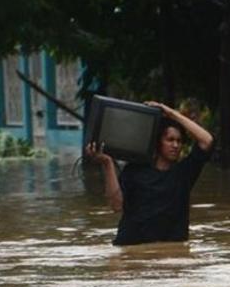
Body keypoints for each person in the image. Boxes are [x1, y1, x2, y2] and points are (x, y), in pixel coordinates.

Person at [86, 101, 214, 246]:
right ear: (158, 142)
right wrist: (107, 164)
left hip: (171, 253)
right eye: (170, 140)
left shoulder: (183, 173)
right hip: (133, 250)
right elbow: (116, 206)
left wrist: (171, 113)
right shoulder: (135, 171)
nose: (175, 145)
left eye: (179, 141)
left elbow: (206, 140)